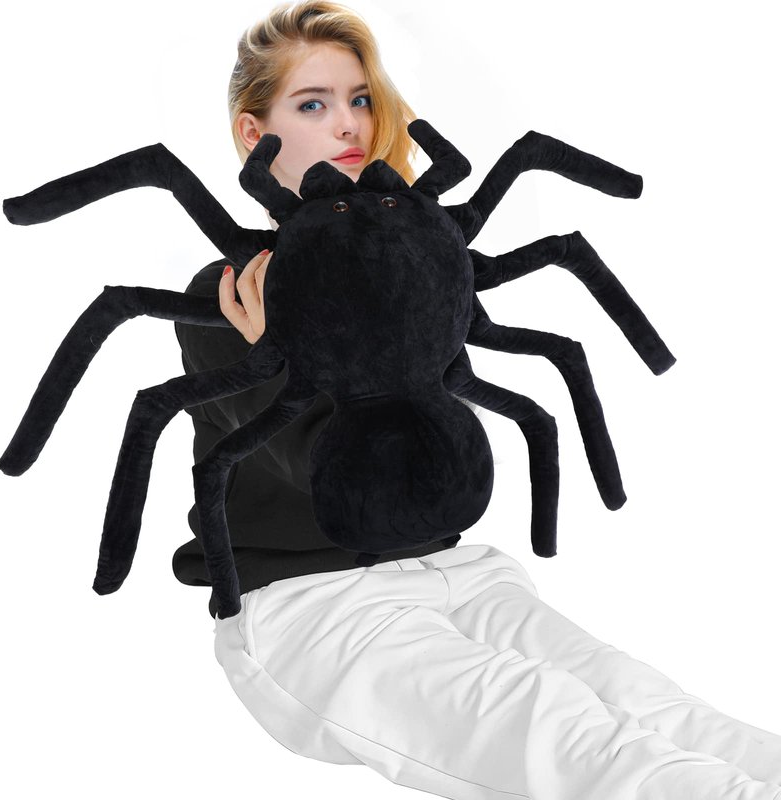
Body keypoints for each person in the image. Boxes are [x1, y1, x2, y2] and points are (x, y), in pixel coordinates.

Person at [172, 2, 781, 798]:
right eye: (312, 104)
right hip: (314, 606)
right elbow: (328, 477)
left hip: (461, 570)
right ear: (256, 135)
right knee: (564, 733)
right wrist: (274, 356)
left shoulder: (412, 257)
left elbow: (441, 456)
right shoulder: (227, 293)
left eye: (361, 98)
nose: (350, 124)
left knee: (653, 705)